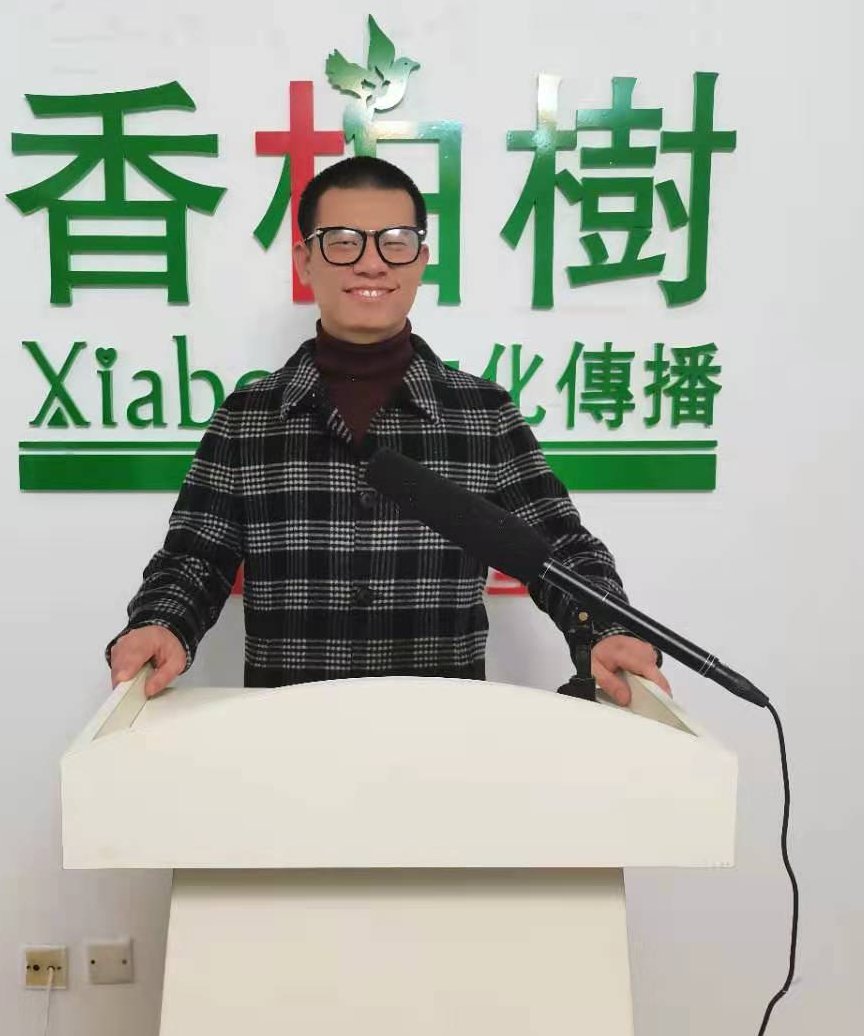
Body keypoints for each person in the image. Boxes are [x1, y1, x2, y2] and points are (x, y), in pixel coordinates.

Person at [108, 156, 669, 703]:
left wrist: (607, 628)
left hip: (445, 730)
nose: (371, 264)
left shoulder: (483, 413)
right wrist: (162, 623)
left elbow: (557, 549)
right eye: (343, 242)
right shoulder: (249, 417)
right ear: (305, 261)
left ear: (422, 259)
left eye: (395, 242)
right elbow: (195, 559)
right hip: (286, 731)